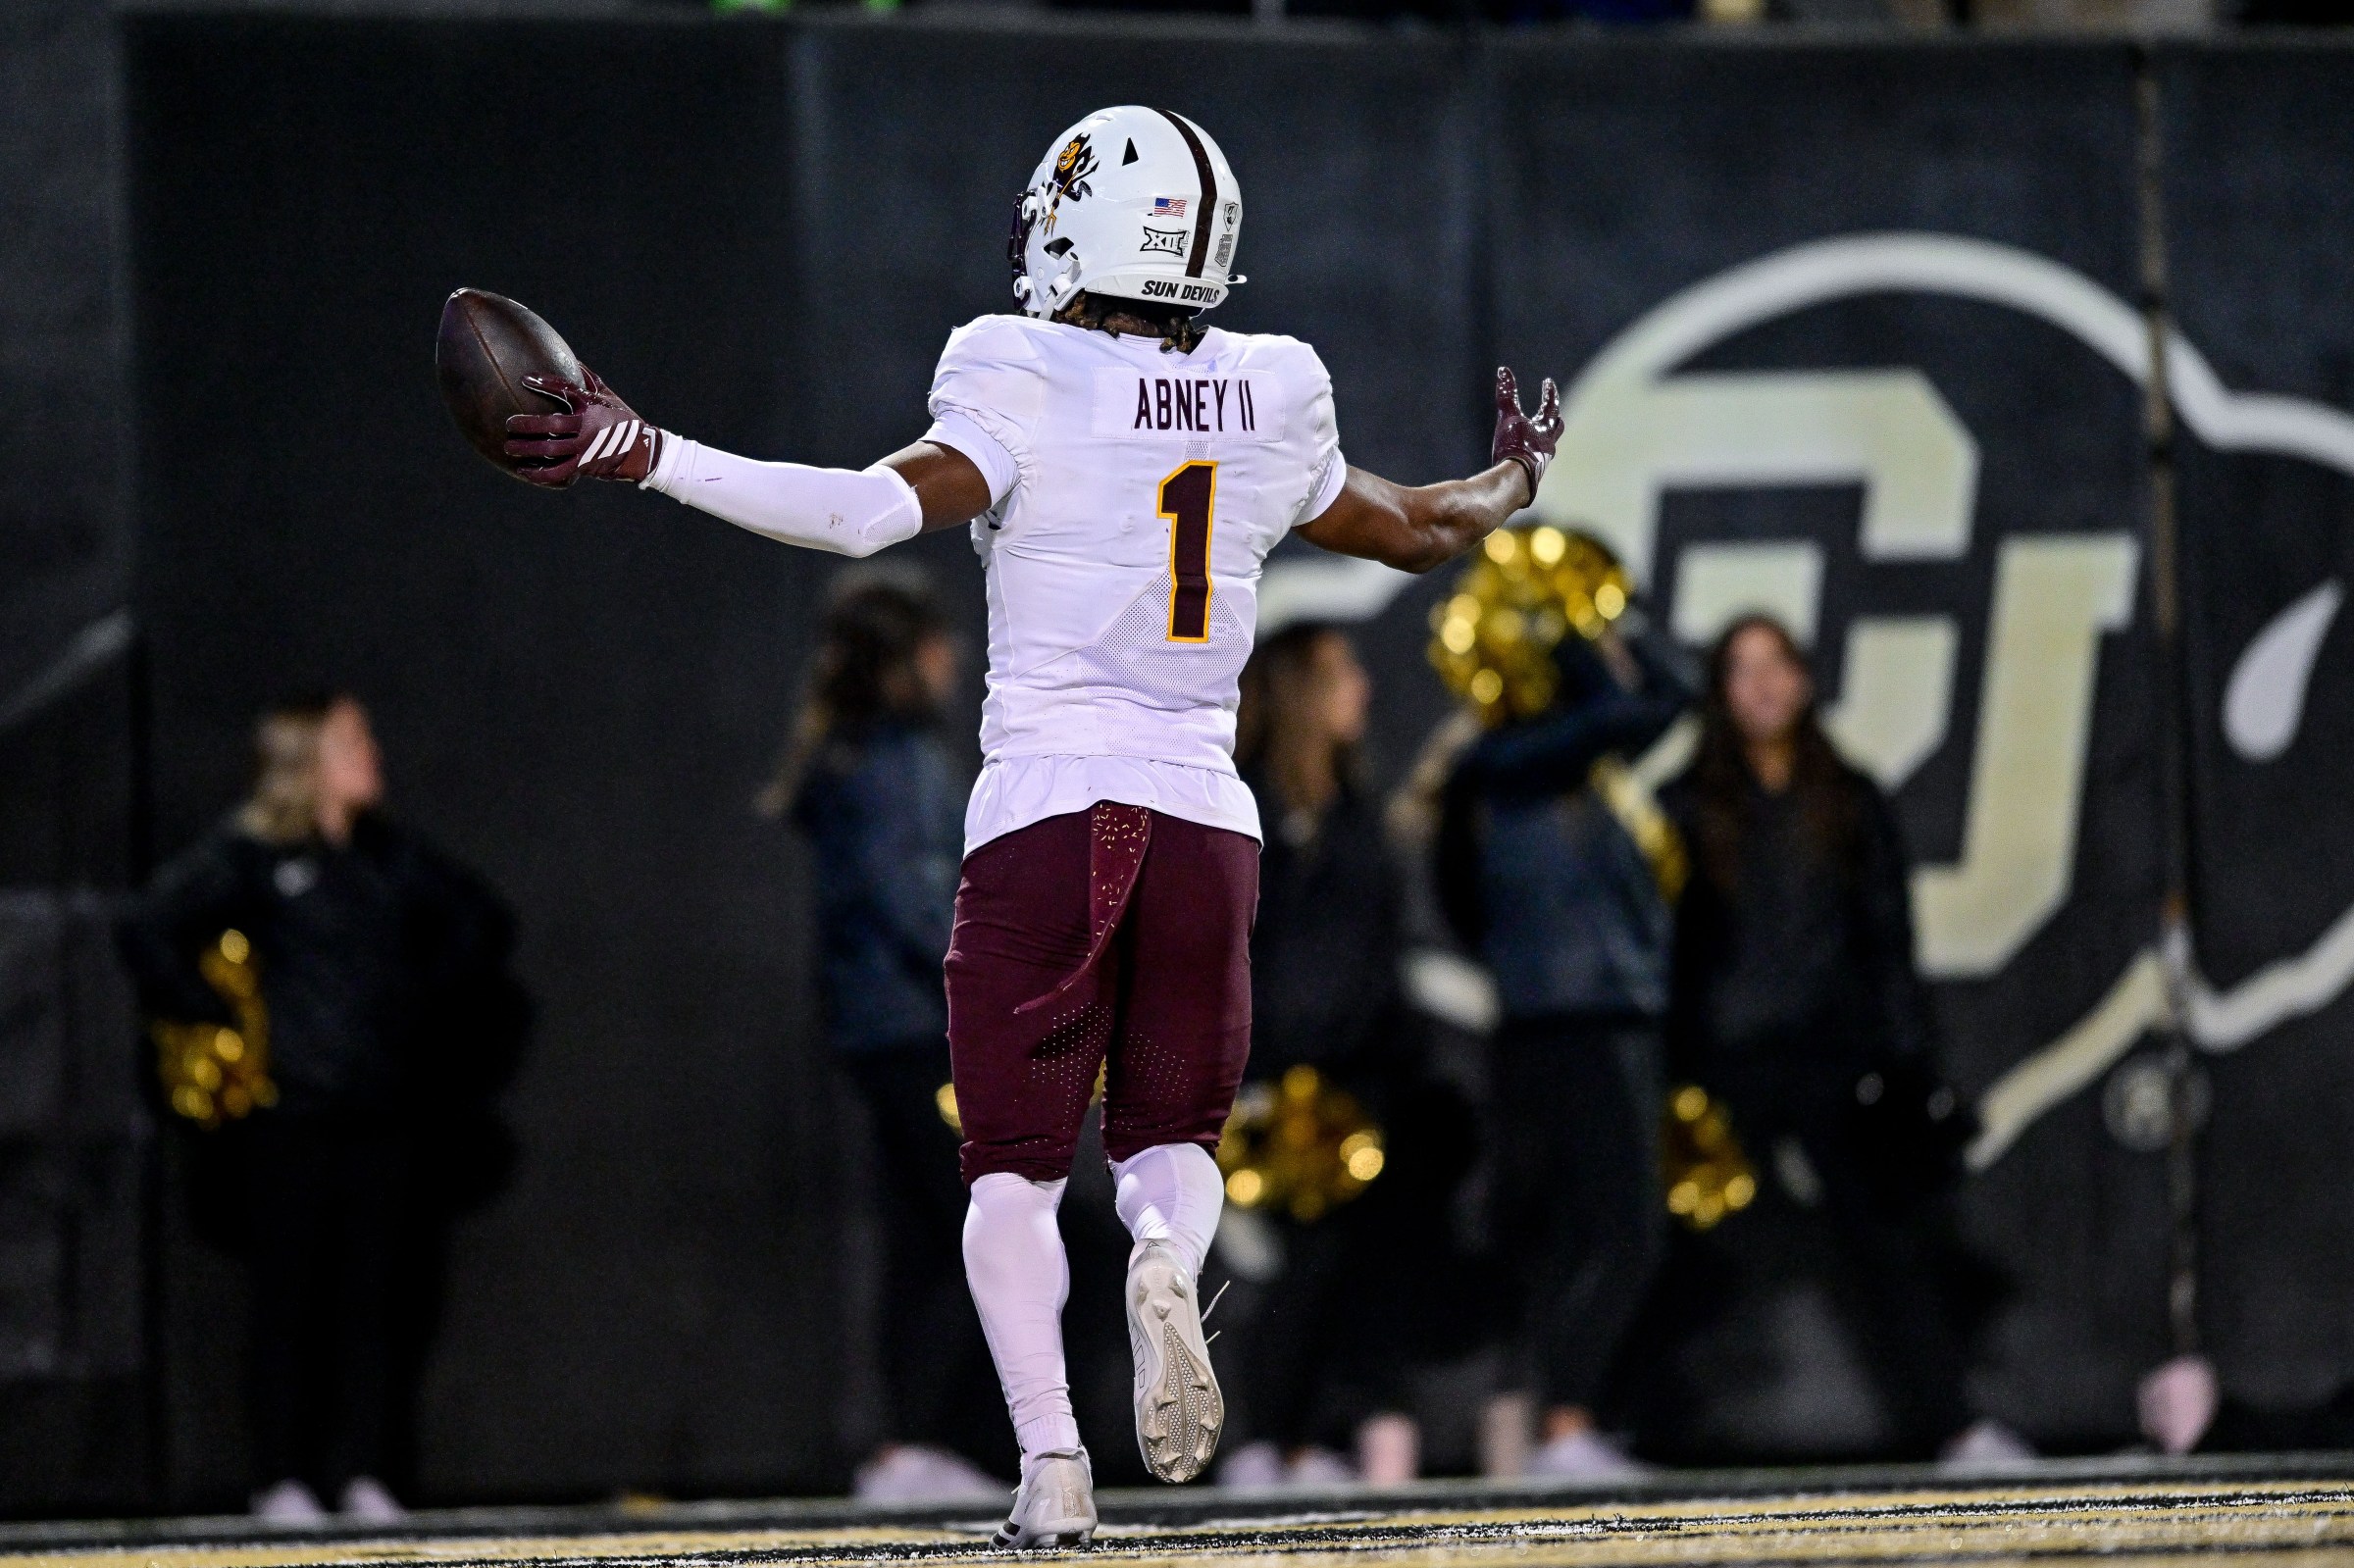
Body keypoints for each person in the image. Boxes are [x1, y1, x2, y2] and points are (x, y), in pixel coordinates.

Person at [500, 104, 1561, 1543]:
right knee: (1171, 1132)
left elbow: (866, 514)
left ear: (1090, 228)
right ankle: (1167, 1251)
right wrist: (1518, 477)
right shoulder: (1271, 387)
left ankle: (1055, 1464)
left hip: (1048, 805)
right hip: (1204, 814)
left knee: (1008, 1167)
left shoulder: (1021, 368)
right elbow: (1426, 522)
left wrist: (650, 452)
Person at [118, 694, 525, 1521]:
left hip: (382, 1118)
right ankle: (282, 1479)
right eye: (353, 740)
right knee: (287, 1303)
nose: (372, 753)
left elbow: (484, 921)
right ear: (309, 760)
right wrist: (219, 1012)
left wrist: (416, 1012)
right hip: (288, 1118)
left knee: (375, 1304)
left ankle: (365, 1473)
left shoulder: (389, 860)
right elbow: (147, 926)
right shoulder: (255, 859)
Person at [1658, 616, 2019, 1463]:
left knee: (1888, 1246)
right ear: (1718, 694)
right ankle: (1625, 1427)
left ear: (1806, 679)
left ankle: (1957, 1427)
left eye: (1777, 663)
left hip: (1836, 1060)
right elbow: (1667, 957)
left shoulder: (1851, 798)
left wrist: (1911, 1063)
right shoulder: (1683, 804)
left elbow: (1889, 941)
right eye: (1741, 670)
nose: (1763, 684)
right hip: (1723, 1063)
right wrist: (1672, 1076)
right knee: (1679, 1248)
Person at [760, 571, 1003, 1501]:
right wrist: (1000, 984)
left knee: (923, 1235)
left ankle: (913, 1445)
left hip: (887, 1031)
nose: (957, 657)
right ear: (905, 658)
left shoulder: (853, 757)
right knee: (972, 1233)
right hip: (918, 1032)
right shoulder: (893, 761)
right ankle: (926, 1443)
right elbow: (918, 905)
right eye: (939, 641)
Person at [1436, 603, 1692, 1479]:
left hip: (1591, 1017)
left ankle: (1562, 1420)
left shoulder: (1575, 770)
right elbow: (1661, 698)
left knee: (1591, 1229)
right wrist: (1592, 630)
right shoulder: (1504, 760)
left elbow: (1662, 701)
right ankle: (1564, 1420)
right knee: (1619, 1233)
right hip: (1568, 1022)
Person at [1219, 624, 1421, 1487]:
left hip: (1358, 1082)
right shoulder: (1246, 807)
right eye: (1342, 675)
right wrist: (1252, 1077)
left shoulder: (1354, 807)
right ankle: (1269, 1441)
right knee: (1296, 1270)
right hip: (1275, 1085)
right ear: (1303, 690)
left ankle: (1313, 1439)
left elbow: (1375, 948)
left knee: (1349, 1268)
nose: (1362, 692)